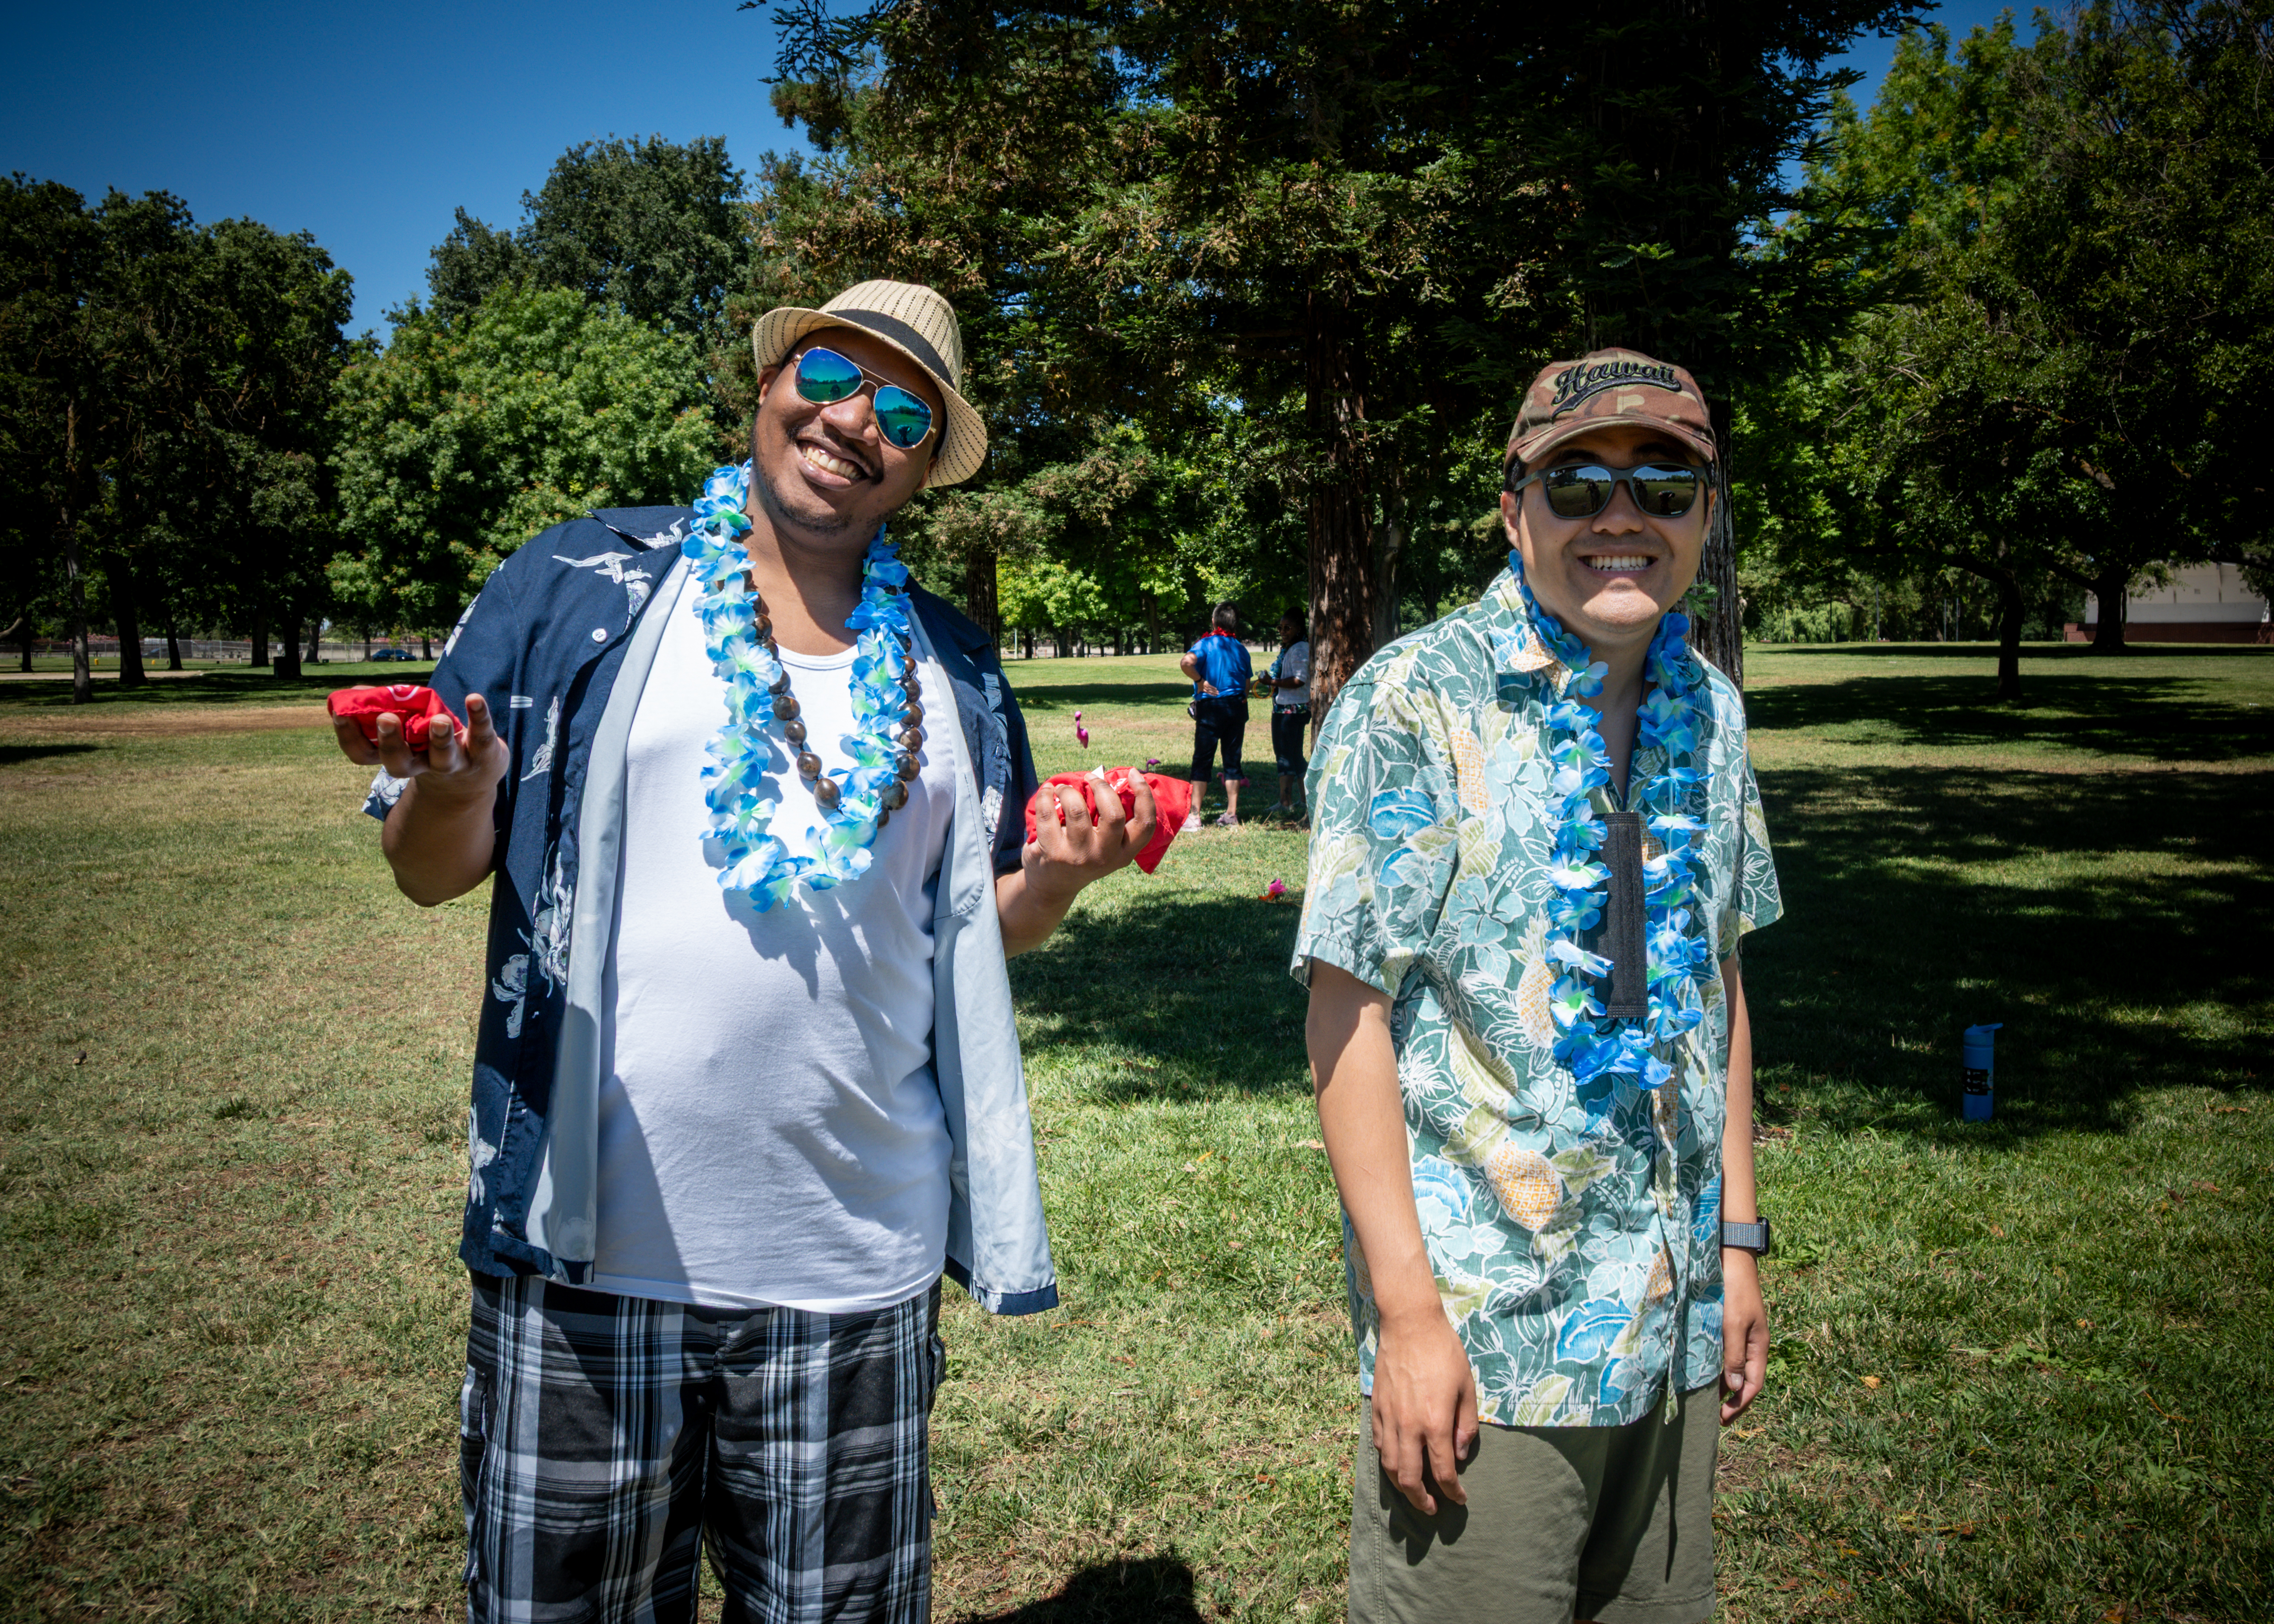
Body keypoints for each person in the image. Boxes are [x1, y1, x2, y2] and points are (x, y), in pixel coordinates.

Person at [331, 280, 1153, 1624]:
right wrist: (456, 783)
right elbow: (431, 872)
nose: (850, 420)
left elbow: (973, 931)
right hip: (585, 1262)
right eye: (828, 376)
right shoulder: (577, 581)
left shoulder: (953, 662)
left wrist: (1055, 879)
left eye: (899, 409)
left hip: (852, 1271)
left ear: (922, 463)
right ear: (767, 381)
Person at [1294, 348, 1783, 1624]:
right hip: (1487, 1337)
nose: (1622, 516)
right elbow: (1345, 1015)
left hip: (1668, 1318)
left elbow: (1717, 978)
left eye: (1664, 483)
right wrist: (1407, 1317)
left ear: (1705, 517)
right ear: (1516, 510)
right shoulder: (1411, 701)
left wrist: (1734, 1242)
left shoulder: (1711, 711)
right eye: (1578, 482)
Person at [1178, 601, 1252, 829]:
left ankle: (1195, 816)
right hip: (1236, 709)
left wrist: (1200, 682)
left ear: (1214, 621)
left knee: (1202, 760)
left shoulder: (1205, 644)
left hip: (1211, 709)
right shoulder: (1241, 649)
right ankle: (1231, 815)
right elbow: (1247, 686)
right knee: (1232, 762)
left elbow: (1186, 662)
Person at [1262, 610, 1312, 823]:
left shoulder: (1300, 649)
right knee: (1288, 755)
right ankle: (1294, 800)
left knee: (1289, 755)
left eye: (1288, 628)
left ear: (1299, 629)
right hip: (1285, 707)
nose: (1283, 632)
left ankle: (1295, 800)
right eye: (1280, 628)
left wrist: (1272, 683)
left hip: (1293, 709)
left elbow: (1299, 680)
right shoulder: (1292, 648)